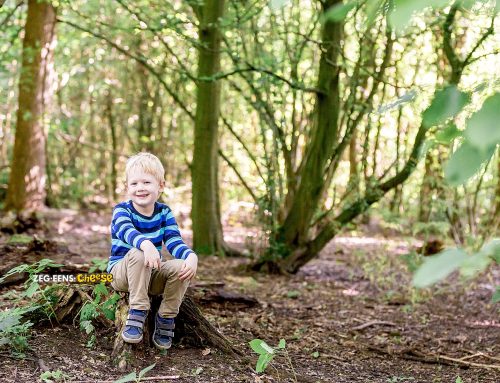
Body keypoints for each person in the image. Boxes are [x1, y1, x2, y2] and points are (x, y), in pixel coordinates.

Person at [107, 152, 198, 350]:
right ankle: (138, 310)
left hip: (150, 274)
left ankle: (166, 316)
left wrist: (191, 256)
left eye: (146, 182)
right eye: (134, 184)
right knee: (139, 252)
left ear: (161, 186)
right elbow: (126, 231)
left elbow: (174, 242)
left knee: (181, 266)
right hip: (121, 273)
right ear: (127, 187)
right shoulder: (122, 210)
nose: (140, 188)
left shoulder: (164, 212)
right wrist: (146, 244)